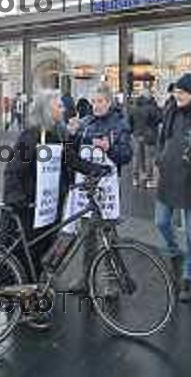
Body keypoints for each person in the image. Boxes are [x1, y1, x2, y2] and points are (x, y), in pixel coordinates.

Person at [0, 90, 109, 330]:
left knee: (39, 255)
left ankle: (30, 298)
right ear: (47, 110)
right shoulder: (30, 136)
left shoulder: (57, 135)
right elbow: (13, 170)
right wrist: (16, 198)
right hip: (29, 208)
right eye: (58, 106)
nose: (63, 109)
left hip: (48, 208)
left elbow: (71, 159)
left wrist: (96, 169)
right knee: (27, 258)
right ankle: (24, 310)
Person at [67, 83, 133, 294]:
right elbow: (72, 149)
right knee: (87, 235)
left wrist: (110, 148)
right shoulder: (85, 122)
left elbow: (126, 155)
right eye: (94, 101)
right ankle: (85, 279)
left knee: (108, 235)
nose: (96, 105)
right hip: (86, 186)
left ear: (109, 102)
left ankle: (111, 282)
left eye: (101, 101)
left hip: (107, 188)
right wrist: (72, 134)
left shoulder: (119, 124)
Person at [154, 73, 191, 303]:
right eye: (176, 92)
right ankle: (174, 250)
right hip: (168, 178)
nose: (177, 96)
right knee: (161, 221)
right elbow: (162, 139)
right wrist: (160, 158)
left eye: (182, 92)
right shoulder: (171, 112)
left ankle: (190, 277)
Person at [129, 88, 161, 188]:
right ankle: (149, 180)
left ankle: (135, 178)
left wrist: (132, 131)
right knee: (149, 158)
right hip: (149, 135)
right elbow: (158, 119)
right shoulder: (151, 107)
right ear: (149, 96)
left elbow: (130, 121)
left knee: (136, 157)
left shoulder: (134, 107)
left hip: (137, 134)